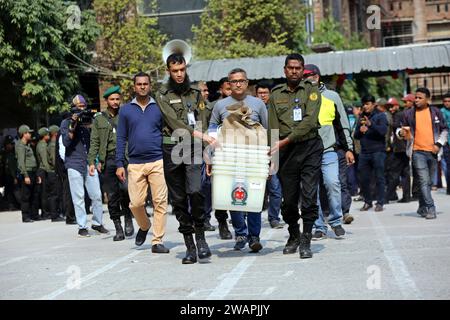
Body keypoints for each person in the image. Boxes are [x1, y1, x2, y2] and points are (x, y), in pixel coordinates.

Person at [156, 54, 215, 264]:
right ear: (168, 71)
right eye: (175, 71)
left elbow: (203, 121)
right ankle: (189, 245)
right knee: (179, 200)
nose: (179, 74)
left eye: (182, 70)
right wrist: (199, 135)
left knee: (197, 190)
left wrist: (207, 151)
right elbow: (172, 121)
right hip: (172, 147)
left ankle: (201, 238)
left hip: (194, 148)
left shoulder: (196, 94)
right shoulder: (162, 95)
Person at [268, 53, 323, 259]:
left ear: (302, 70)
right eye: (290, 68)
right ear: (285, 70)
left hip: (309, 147)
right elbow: (272, 128)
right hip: (286, 152)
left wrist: (285, 140)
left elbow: (309, 121)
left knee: (309, 196)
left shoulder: (312, 91)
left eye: (298, 68)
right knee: (289, 200)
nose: (294, 71)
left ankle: (306, 238)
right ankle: (294, 234)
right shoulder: (275, 95)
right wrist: (272, 157)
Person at [208, 68, 268, 252]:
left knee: (255, 198)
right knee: (234, 196)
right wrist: (211, 156)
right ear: (229, 84)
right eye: (234, 81)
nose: (238, 84)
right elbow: (211, 128)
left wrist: (270, 159)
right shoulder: (220, 105)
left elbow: (267, 130)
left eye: (241, 80)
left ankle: (254, 236)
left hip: (254, 158)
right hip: (229, 159)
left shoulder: (258, 104)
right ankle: (241, 233)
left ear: (247, 83)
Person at [116, 73, 169, 252]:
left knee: (160, 202)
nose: (142, 87)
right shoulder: (125, 110)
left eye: (145, 84)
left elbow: (166, 132)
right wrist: (119, 163)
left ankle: (157, 241)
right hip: (135, 163)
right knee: (136, 204)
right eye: (139, 84)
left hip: (157, 161)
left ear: (150, 85)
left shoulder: (159, 107)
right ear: (134, 87)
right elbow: (121, 138)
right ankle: (144, 226)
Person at [301, 64, 353, 240]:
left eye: (313, 74)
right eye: (306, 75)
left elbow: (343, 124)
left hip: (328, 150)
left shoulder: (332, 96)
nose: (310, 77)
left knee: (333, 183)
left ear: (318, 76)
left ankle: (336, 221)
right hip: (306, 152)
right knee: (311, 191)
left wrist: (349, 149)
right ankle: (318, 226)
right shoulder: (299, 97)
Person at [89, 85, 135, 242]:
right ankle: (118, 228)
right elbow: (94, 141)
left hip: (125, 158)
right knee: (112, 195)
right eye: (112, 99)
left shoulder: (125, 116)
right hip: (108, 159)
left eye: (117, 99)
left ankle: (128, 217)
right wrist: (91, 161)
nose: (115, 102)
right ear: (106, 101)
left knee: (126, 189)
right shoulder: (99, 119)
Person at [398, 87, 448, 219]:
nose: (417, 100)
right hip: (416, 152)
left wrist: (438, 144)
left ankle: (421, 207)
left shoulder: (436, 112)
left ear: (428, 99)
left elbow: (444, 130)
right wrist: (401, 133)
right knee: (424, 181)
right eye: (416, 97)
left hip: (433, 152)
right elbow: (401, 130)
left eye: (420, 98)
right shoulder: (408, 114)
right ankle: (431, 208)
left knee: (428, 182)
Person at [60, 94, 107, 237]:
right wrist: (73, 125)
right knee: (79, 197)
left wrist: (97, 160)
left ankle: (97, 223)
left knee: (97, 195)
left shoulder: (89, 121)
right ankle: (82, 226)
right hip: (74, 163)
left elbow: (95, 142)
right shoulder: (66, 122)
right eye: (79, 107)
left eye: (83, 107)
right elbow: (67, 143)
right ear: (73, 108)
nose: (82, 109)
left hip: (89, 163)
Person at [354, 94, 388, 212]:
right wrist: (360, 130)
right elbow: (356, 136)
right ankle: (368, 202)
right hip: (364, 152)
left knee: (379, 178)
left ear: (373, 104)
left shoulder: (381, 115)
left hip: (378, 151)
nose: (365, 106)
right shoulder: (361, 116)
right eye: (363, 104)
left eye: (367, 104)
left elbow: (383, 131)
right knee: (363, 178)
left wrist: (370, 125)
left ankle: (380, 202)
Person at [256, 82, 283, 229]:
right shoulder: (251, 111)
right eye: (260, 93)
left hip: (273, 153)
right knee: (255, 188)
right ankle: (251, 217)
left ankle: (274, 218)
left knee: (275, 188)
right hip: (256, 155)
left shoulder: (275, 110)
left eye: (265, 93)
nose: (262, 95)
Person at [197, 81, 216, 232]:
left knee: (207, 186)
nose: (206, 93)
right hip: (190, 152)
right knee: (194, 188)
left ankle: (206, 218)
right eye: (203, 91)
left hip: (208, 151)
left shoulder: (211, 108)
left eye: (207, 90)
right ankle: (194, 217)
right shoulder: (188, 109)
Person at [385, 97, 411, 203]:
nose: (390, 109)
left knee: (394, 173)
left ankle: (387, 197)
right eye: (389, 107)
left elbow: (400, 129)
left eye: (392, 106)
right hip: (400, 148)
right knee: (405, 173)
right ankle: (406, 196)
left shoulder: (399, 115)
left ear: (397, 106)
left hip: (400, 148)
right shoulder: (395, 115)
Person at [15, 125, 40, 222]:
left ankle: (34, 215)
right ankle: (25, 216)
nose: (30, 134)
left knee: (34, 194)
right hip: (27, 173)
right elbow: (21, 163)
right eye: (28, 133)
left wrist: (36, 175)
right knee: (26, 196)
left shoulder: (27, 145)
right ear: (24, 134)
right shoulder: (20, 146)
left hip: (32, 172)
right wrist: (25, 175)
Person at [55, 112, 77, 224]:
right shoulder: (62, 132)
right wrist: (68, 164)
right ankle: (70, 216)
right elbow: (62, 151)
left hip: (67, 165)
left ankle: (71, 215)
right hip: (66, 166)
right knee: (68, 192)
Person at [46, 125, 64, 222]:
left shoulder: (52, 144)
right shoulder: (53, 145)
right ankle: (54, 215)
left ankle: (56, 213)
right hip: (53, 172)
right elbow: (54, 161)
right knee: (54, 194)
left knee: (56, 193)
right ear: (56, 133)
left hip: (54, 172)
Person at [1, 135, 20, 210]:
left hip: (9, 175)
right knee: (11, 191)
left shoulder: (11, 153)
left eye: (12, 144)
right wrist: (14, 177)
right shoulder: (6, 154)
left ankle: (11, 205)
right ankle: (11, 205)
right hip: (8, 175)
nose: (11, 145)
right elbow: (11, 167)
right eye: (10, 144)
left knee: (11, 191)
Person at [36, 127, 51, 220]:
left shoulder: (43, 144)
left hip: (44, 170)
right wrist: (50, 171)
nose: (49, 136)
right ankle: (45, 213)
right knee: (44, 193)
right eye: (47, 134)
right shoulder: (42, 146)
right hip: (43, 170)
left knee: (45, 192)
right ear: (44, 136)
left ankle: (46, 212)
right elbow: (45, 160)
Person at [441, 92, 450, 195]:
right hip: (447, 142)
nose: (447, 103)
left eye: (449, 101)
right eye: (445, 101)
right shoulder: (441, 112)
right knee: (449, 166)